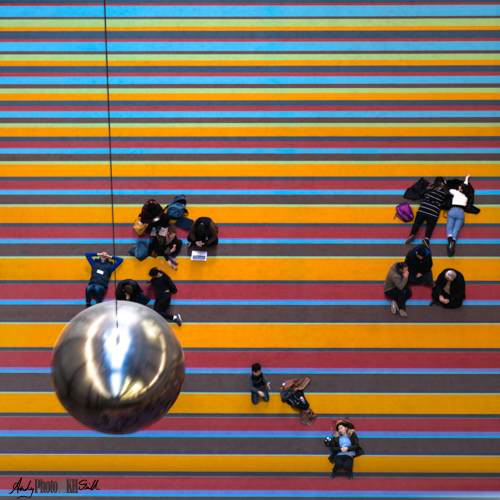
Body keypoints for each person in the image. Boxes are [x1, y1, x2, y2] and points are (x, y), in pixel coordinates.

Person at [405, 177, 449, 249]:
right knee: (430, 227)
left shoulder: (430, 188)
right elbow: (448, 194)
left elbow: (425, 193)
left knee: (417, 222)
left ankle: (412, 234)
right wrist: (445, 185)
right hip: (434, 211)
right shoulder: (445, 191)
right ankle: (427, 239)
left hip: (424, 208)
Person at [446, 174, 472, 257]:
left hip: (453, 210)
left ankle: (450, 242)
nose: (459, 187)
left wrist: (445, 183)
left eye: (460, 187)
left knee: (449, 228)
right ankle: (453, 242)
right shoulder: (466, 196)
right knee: (456, 230)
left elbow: (448, 190)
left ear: (461, 190)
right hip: (461, 212)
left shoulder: (455, 192)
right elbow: (466, 186)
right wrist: (466, 179)